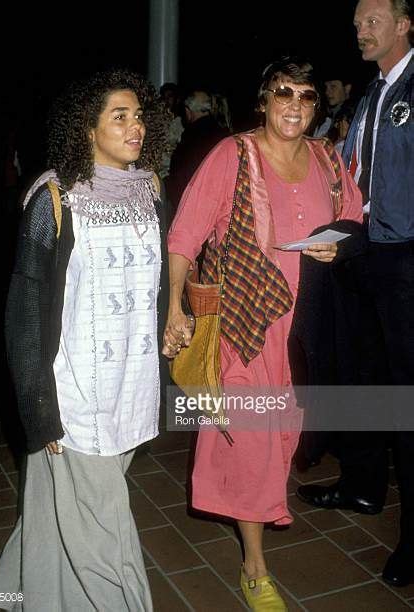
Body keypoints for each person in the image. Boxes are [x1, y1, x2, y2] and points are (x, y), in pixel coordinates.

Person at [164, 57, 362, 611]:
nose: (294, 104)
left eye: (304, 95)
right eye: (282, 93)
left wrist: (340, 242)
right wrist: (175, 308)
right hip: (247, 328)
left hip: (310, 326)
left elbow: (354, 219)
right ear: (263, 101)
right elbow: (185, 233)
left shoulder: (327, 157)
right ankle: (254, 566)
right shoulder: (234, 154)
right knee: (252, 441)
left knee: (284, 438)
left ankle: (258, 516)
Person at [0, 69, 171, 611]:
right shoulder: (55, 200)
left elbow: (156, 284)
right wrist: (40, 411)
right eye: (119, 116)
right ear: (87, 130)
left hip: (131, 390)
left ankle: (26, 592)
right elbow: (23, 315)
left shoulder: (151, 190)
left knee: (59, 499)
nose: (135, 126)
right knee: (105, 533)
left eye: (139, 115)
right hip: (75, 395)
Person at [297, 0, 414, 588]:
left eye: (373, 20)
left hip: (405, 257)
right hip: (366, 251)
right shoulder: (372, 96)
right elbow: (350, 171)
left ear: (405, 22)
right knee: (361, 375)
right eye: (357, 23)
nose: (361, 30)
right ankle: (363, 484)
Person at [165, 89, 229, 218]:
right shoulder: (223, 133)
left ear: (188, 111)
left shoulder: (191, 136)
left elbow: (180, 175)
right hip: (220, 206)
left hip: (195, 208)